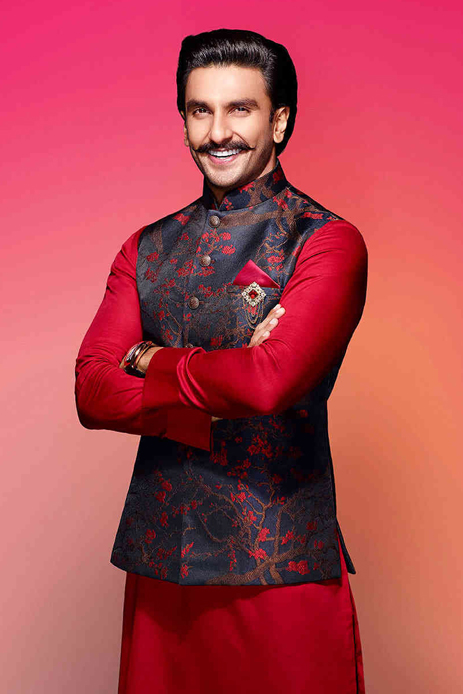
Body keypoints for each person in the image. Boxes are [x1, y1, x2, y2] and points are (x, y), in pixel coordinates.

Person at [75, 27, 368, 694]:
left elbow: (269, 384)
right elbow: (92, 390)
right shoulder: (146, 247)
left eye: (240, 109)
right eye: (199, 110)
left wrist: (147, 357)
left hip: (280, 562)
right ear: (183, 119)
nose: (217, 132)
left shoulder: (325, 243)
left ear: (279, 120)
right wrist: (213, 392)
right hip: (161, 568)